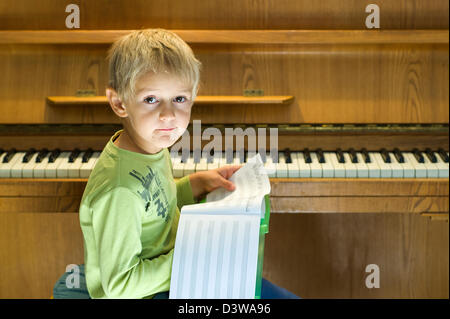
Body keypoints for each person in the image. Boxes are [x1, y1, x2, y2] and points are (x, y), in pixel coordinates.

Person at [70, 28, 300, 299]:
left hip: (168, 273)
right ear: (119, 102)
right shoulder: (120, 190)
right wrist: (194, 257)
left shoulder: (149, 146)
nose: (168, 116)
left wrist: (194, 184)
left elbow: (153, 208)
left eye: (179, 99)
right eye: (151, 99)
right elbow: (120, 286)